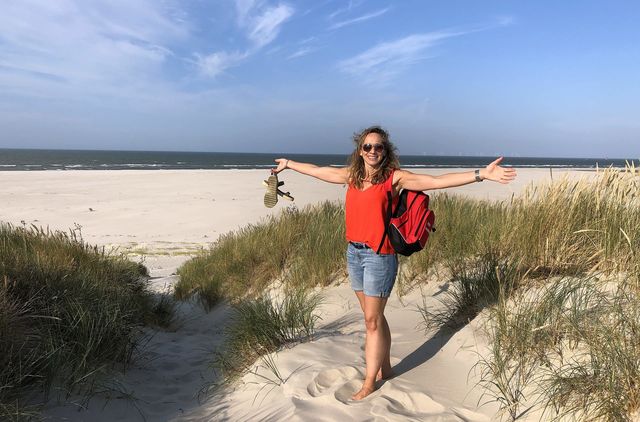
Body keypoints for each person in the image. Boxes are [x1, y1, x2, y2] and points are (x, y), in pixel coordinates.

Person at [272, 125, 517, 400]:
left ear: (385, 151)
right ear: (360, 151)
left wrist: (482, 174)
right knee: (374, 317)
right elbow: (319, 171)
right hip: (354, 254)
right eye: (367, 146)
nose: (373, 151)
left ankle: (369, 382)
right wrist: (289, 164)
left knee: (371, 320)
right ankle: (385, 367)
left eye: (378, 147)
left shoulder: (395, 178)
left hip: (380, 256)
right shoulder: (352, 176)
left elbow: (436, 181)